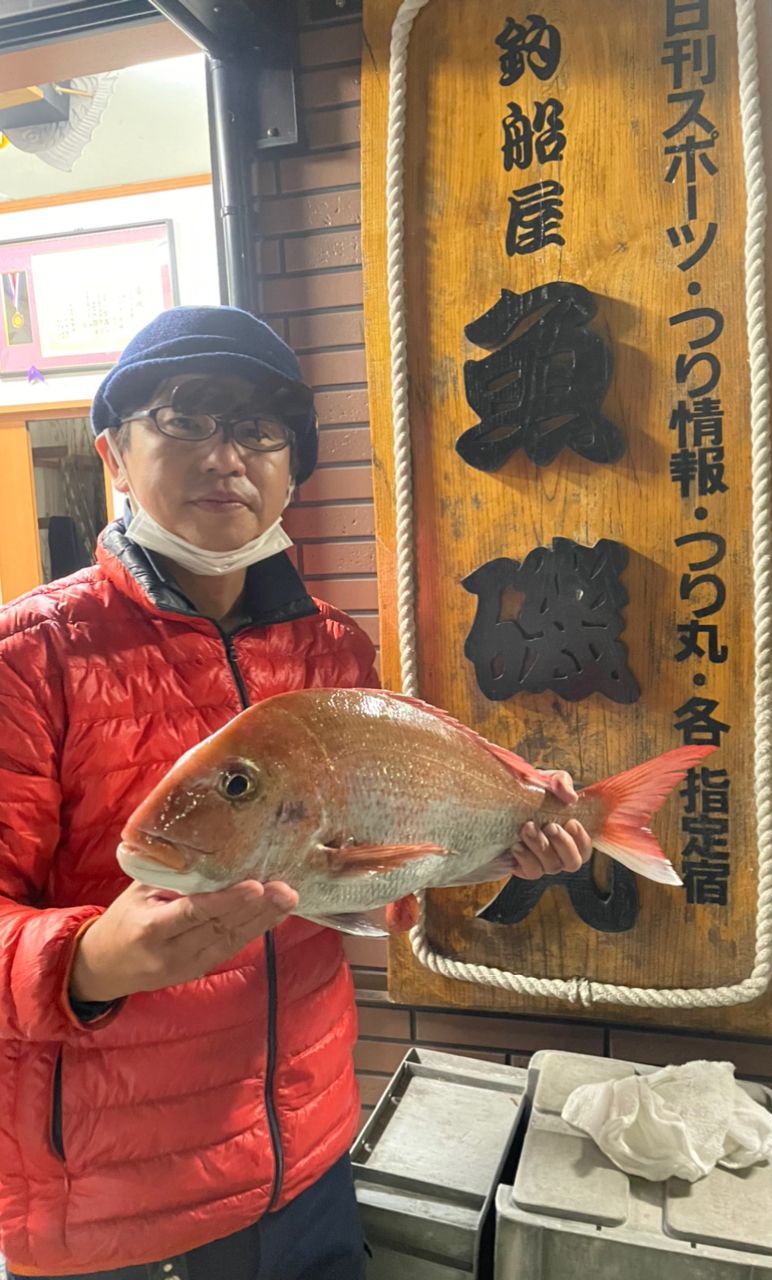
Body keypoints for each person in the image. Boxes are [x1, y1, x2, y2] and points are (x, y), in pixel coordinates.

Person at [0, 306, 592, 1280]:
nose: (223, 456)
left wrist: (498, 840)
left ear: (291, 469)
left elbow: (367, 893)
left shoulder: (333, 650)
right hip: (118, 1209)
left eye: (256, 430)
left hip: (311, 1154)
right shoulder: (32, 658)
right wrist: (86, 961)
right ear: (113, 450)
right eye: (183, 421)